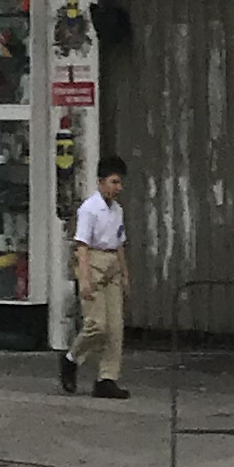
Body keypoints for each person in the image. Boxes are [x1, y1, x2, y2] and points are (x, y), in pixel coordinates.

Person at [70, 153, 131, 399]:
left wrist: (124, 273)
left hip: (112, 264)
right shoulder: (89, 209)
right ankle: (71, 357)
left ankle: (107, 378)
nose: (118, 188)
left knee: (115, 328)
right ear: (100, 182)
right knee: (97, 325)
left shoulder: (117, 210)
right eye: (113, 182)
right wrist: (84, 278)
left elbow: (119, 243)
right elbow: (82, 246)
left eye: (120, 182)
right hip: (94, 262)